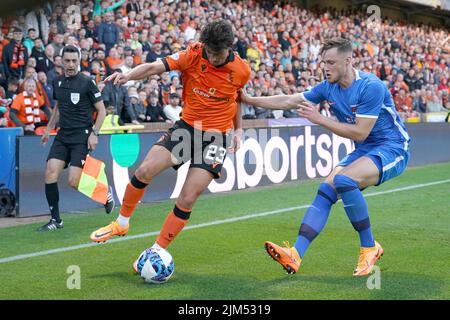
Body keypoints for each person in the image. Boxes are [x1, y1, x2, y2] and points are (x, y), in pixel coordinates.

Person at [240, 37, 410, 276]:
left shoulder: (371, 86)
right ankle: (295, 254)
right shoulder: (327, 87)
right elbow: (290, 100)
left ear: (348, 61)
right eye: (323, 63)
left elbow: (361, 132)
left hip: (392, 147)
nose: (325, 68)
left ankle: (369, 247)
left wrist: (319, 118)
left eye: (331, 62)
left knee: (344, 180)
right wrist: (250, 99)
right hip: (366, 149)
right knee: (326, 189)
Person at [90, 20, 250, 272]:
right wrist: (128, 75)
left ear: (229, 47)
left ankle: (157, 249)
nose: (211, 57)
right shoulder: (194, 54)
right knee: (144, 171)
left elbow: (237, 97)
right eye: (208, 51)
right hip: (187, 128)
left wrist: (239, 129)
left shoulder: (241, 70)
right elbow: (156, 67)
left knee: (188, 197)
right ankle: (121, 222)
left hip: (216, 137)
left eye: (216, 54)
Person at [38, 45, 115, 232]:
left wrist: (95, 134)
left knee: (73, 181)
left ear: (79, 61)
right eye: (67, 61)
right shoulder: (57, 82)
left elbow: (101, 111)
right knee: (50, 172)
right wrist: (49, 129)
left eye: (74, 61)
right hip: (63, 135)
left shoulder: (87, 82)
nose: (70, 64)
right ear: (61, 61)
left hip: (82, 135)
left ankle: (105, 193)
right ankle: (56, 220)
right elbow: (58, 107)